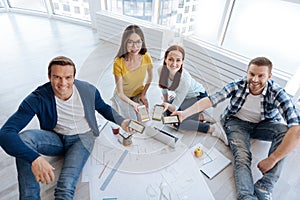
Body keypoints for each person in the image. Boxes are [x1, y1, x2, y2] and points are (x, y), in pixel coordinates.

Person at [0, 56, 133, 200]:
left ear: (74, 77)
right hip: (56, 138)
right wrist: (35, 158)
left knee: (65, 186)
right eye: (57, 77)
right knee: (24, 138)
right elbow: (5, 134)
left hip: (82, 139)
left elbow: (104, 108)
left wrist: (122, 121)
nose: (63, 83)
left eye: (68, 77)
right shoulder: (38, 97)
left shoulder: (88, 90)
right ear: (49, 76)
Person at [173, 57, 300, 199]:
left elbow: (296, 128)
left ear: (269, 76)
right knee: (242, 157)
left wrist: (272, 159)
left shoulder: (277, 92)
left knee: (285, 131)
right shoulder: (238, 85)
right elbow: (211, 99)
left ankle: (264, 187)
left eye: (261, 76)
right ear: (247, 72)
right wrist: (184, 113)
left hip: (263, 124)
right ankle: (246, 197)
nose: (255, 80)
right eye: (252, 74)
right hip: (236, 123)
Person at [158, 45, 227, 144]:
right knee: (167, 115)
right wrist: (166, 101)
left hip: (198, 96)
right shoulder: (160, 70)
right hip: (186, 97)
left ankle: (213, 128)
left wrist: (169, 105)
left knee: (176, 122)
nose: (174, 64)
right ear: (165, 59)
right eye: (170, 59)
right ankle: (201, 116)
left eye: (178, 60)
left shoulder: (184, 79)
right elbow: (164, 88)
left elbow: (174, 107)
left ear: (182, 62)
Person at [111, 25, 153, 120]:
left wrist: (143, 94)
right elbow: (120, 93)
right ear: (125, 43)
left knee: (144, 120)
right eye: (130, 42)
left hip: (138, 93)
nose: (135, 47)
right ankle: (115, 105)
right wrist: (134, 104)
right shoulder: (118, 62)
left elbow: (150, 77)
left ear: (142, 41)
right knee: (133, 121)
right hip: (123, 96)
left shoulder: (146, 56)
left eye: (138, 42)